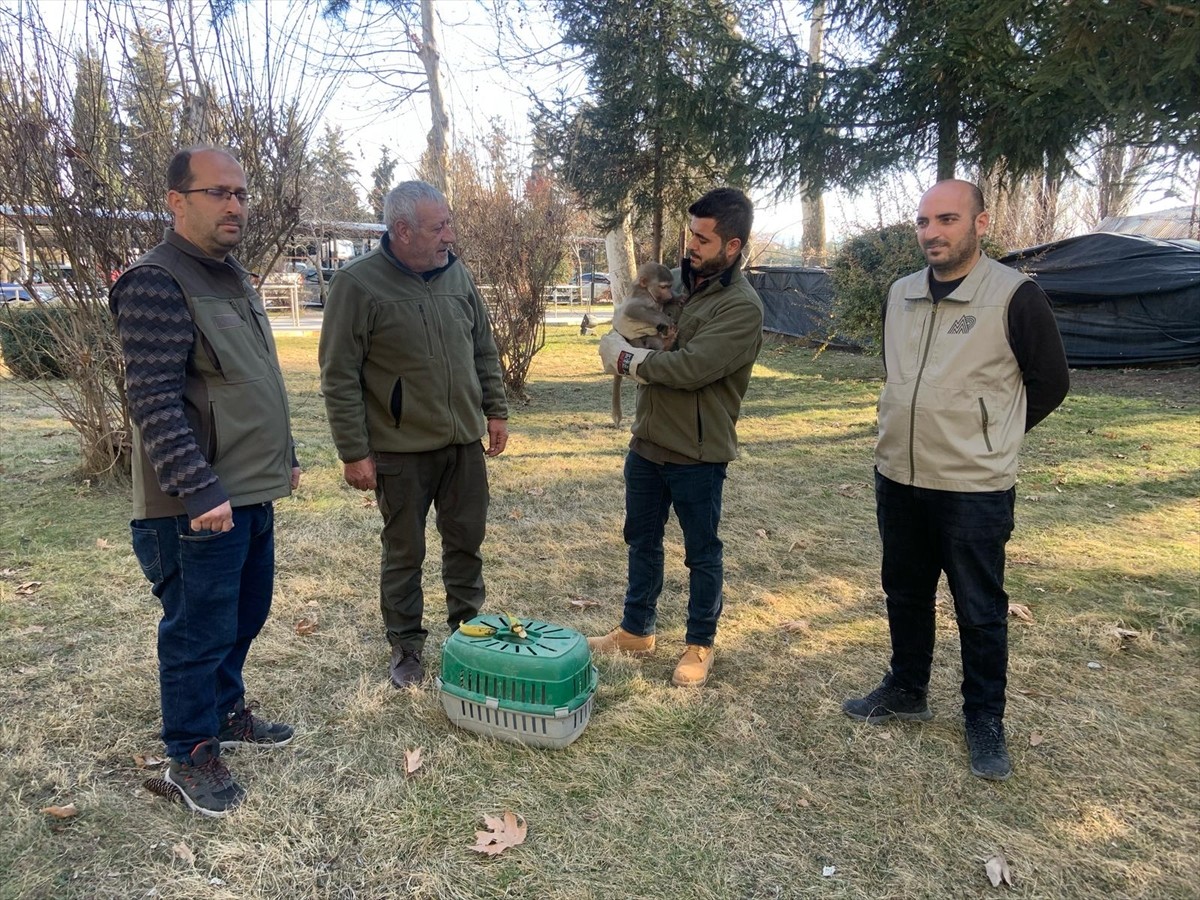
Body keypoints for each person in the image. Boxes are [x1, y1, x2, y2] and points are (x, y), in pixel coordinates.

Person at [841, 178, 1070, 781]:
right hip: (899, 472)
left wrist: (991, 433)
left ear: (980, 223)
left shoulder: (1015, 296)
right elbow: (898, 373)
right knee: (904, 591)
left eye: (947, 219)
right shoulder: (901, 293)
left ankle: (984, 718)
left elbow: (1051, 382)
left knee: (979, 608)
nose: (932, 232)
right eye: (923, 221)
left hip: (974, 485)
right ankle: (907, 689)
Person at [110, 147, 300, 818]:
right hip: (197, 505)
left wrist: (285, 455)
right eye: (218, 192)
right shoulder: (156, 282)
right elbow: (153, 400)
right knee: (197, 631)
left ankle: (224, 711)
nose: (235, 206)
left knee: (244, 616)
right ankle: (189, 753)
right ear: (176, 201)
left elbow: (257, 378)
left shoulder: (232, 276)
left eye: (241, 194)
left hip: (249, 488)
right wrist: (197, 487)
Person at [318, 180, 508, 689]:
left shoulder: (457, 274)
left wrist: (495, 409)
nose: (450, 235)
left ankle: (469, 634)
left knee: (466, 542)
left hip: (463, 444)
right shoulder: (357, 284)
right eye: (438, 227)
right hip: (399, 451)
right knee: (405, 552)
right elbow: (339, 374)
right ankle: (406, 646)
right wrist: (353, 451)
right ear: (402, 230)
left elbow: (483, 347)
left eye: (449, 223)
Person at [590, 187, 764, 687]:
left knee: (701, 551)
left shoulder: (741, 308)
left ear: (732, 245)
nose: (692, 246)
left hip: (697, 452)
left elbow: (690, 369)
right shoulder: (674, 285)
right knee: (641, 540)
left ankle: (699, 643)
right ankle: (636, 629)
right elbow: (633, 315)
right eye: (691, 234)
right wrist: (618, 334)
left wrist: (627, 360)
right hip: (648, 440)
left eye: (703, 239)